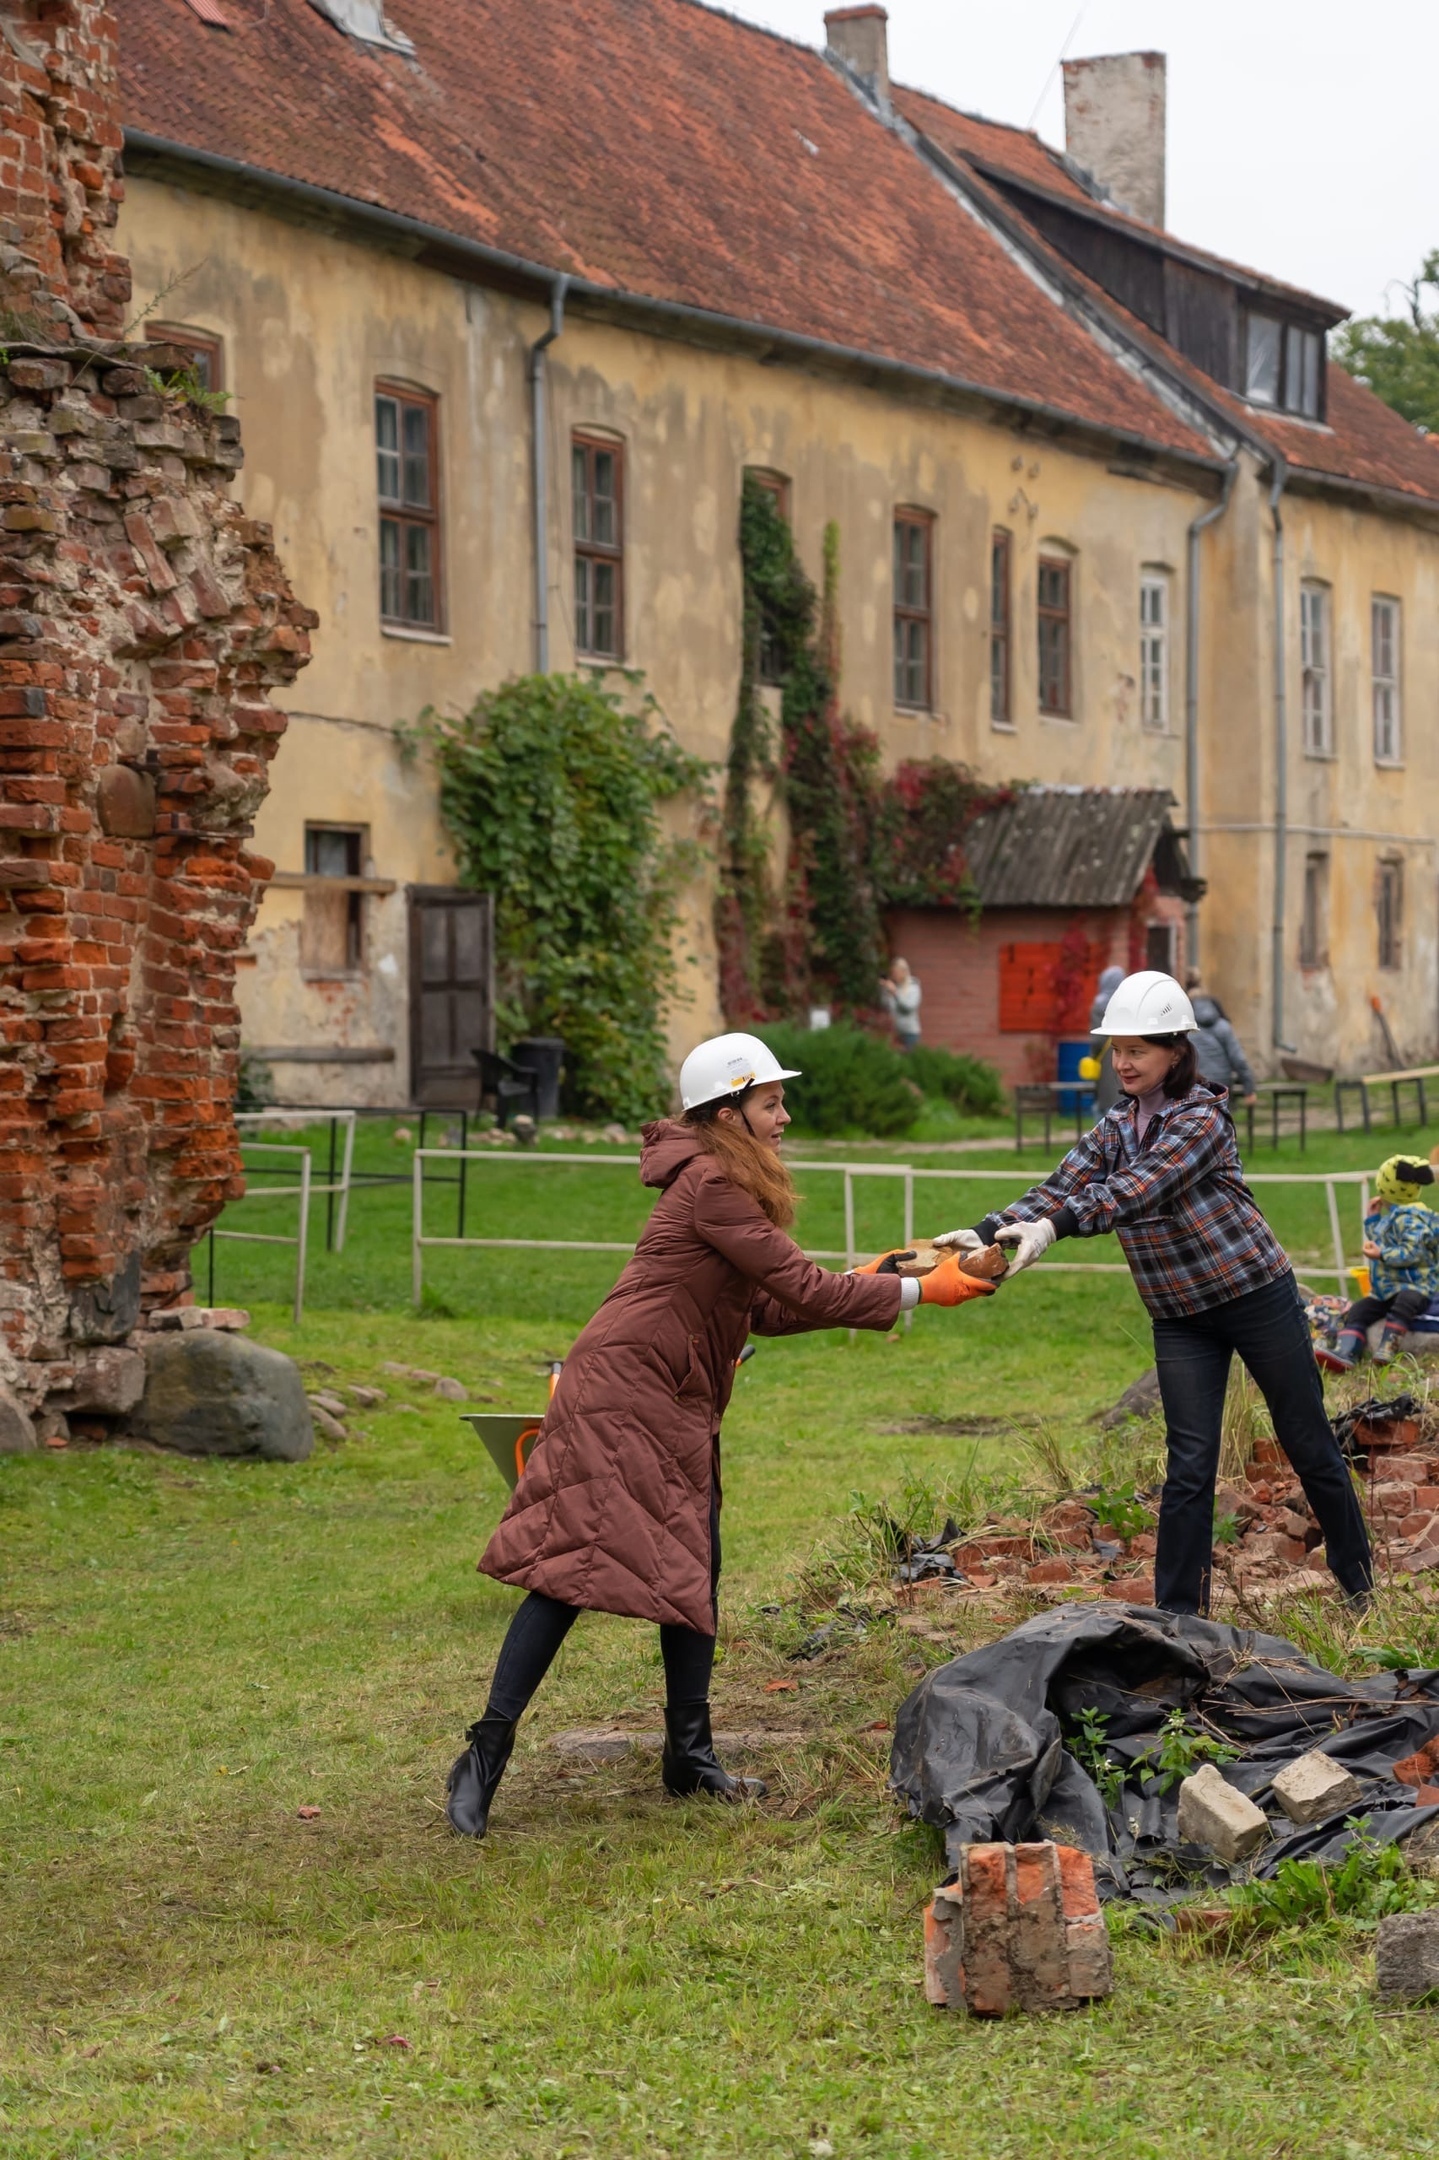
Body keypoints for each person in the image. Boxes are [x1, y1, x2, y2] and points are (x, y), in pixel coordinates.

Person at [444, 1030, 996, 1838]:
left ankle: (689, 1758)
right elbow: (803, 1286)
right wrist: (925, 1292)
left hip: (672, 1399)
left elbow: (770, 1309)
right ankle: (483, 1756)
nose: (783, 1116)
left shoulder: (727, 1180)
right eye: (770, 1103)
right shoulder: (710, 1185)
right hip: (623, 1392)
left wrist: (886, 1272)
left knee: (692, 1561)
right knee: (571, 1571)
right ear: (727, 1111)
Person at [932, 969, 1373, 1617]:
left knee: (1306, 1441)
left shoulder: (1201, 1120)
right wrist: (983, 1230)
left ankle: (1358, 1586)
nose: (1124, 1062)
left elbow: (1138, 1189)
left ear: (1176, 1051)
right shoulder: (1114, 1124)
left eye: (1138, 1049)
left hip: (1255, 1297)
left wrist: (1054, 1230)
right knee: (1188, 1465)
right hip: (1178, 1315)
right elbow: (1062, 1184)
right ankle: (1178, 1620)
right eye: (1117, 1049)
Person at [1316, 1154, 1439, 1372]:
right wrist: (1373, 1219)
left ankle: (1387, 1347)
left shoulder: (1413, 1220)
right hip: (1389, 1288)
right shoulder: (1395, 1216)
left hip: (1415, 1286)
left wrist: (1382, 1254)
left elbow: (1412, 1253)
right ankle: (1346, 1353)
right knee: (1359, 1310)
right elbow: (1384, 1241)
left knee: (1405, 1304)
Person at [1185, 970, 1257, 1108]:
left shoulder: (1186, 1029)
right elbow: (1238, 1058)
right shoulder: (1223, 1026)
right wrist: (1249, 1089)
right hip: (1221, 1085)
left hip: (1193, 1084)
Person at [1085, 964, 1125, 1114]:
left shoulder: (1099, 1005)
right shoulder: (1127, 1004)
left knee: (1104, 1111)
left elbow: (1097, 1041)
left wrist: (1093, 1056)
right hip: (1126, 1063)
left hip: (1106, 1066)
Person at [879, 957, 922, 1051]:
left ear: (903, 972)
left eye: (895, 973)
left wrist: (895, 993)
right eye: (892, 973)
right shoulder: (895, 987)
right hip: (895, 1032)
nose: (893, 976)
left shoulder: (913, 987)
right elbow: (885, 1005)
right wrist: (884, 989)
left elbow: (908, 1007)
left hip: (910, 1033)